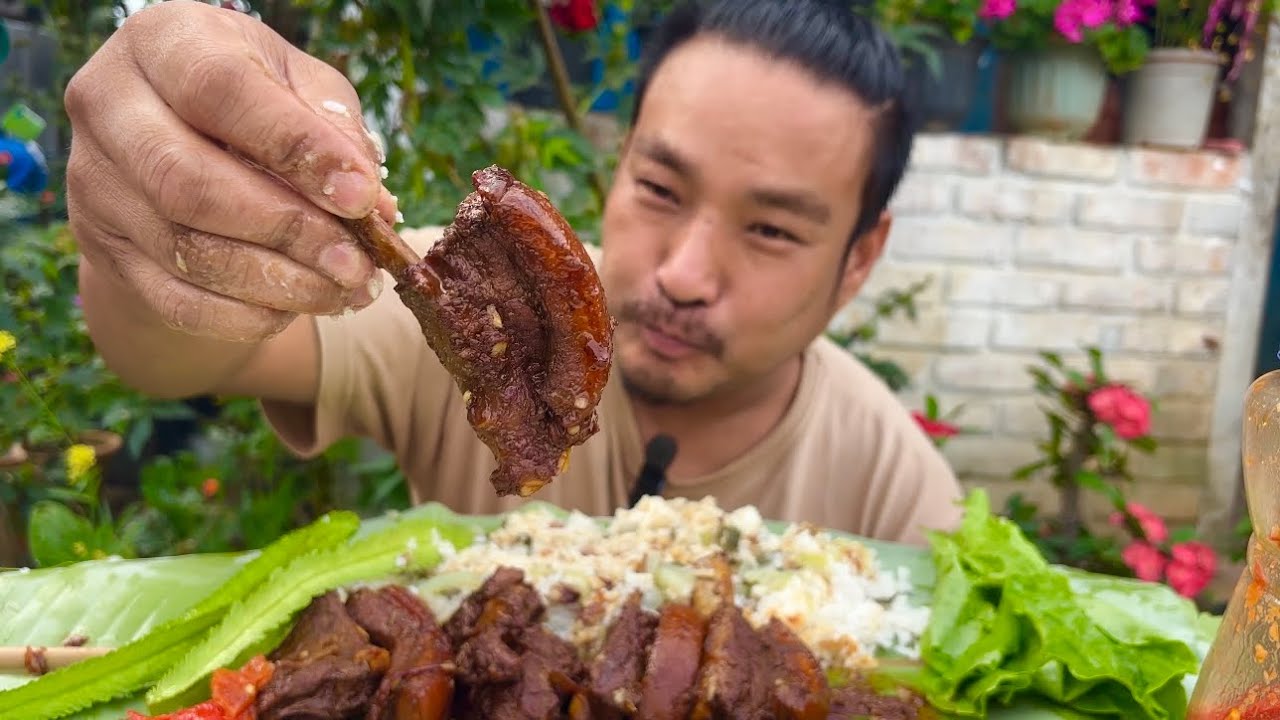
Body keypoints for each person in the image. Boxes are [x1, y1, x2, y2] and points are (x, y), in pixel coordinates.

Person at [66, 0, 964, 546]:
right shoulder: (485, 322)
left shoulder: (893, 487)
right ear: (618, 167)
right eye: (659, 187)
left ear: (860, 259)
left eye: (770, 229)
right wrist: (142, 232)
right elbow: (166, 358)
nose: (687, 275)